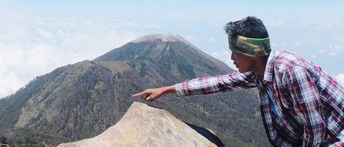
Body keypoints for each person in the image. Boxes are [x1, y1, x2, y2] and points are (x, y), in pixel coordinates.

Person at [132, 16, 344, 146]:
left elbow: (315, 131)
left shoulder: (291, 72)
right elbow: (217, 83)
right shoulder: (260, 72)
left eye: (235, 53)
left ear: (251, 53)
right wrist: (168, 89)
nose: (232, 59)